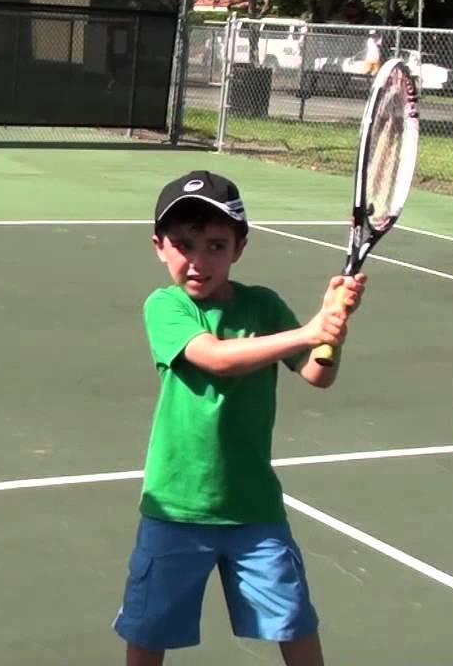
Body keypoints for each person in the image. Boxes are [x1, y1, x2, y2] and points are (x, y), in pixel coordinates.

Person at [112, 171, 366, 666]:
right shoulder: (165, 306)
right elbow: (215, 357)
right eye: (183, 244)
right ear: (159, 246)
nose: (198, 261)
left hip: (255, 508)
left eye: (215, 245)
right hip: (177, 507)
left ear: (239, 248)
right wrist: (308, 331)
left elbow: (317, 374)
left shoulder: (263, 305)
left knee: (294, 622)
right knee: (149, 630)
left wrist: (334, 327)